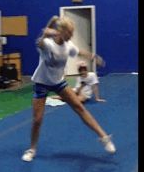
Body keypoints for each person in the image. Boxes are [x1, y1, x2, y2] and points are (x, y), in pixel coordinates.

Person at [22, 15, 116, 162]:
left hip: (58, 83)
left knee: (79, 107)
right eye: (70, 33)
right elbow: (40, 42)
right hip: (41, 82)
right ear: (61, 31)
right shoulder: (47, 43)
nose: (72, 36)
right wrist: (47, 31)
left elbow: (79, 52)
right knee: (37, 120)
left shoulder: (68, 46)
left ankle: (104, 137)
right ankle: (32, 149)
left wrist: (93, 56)